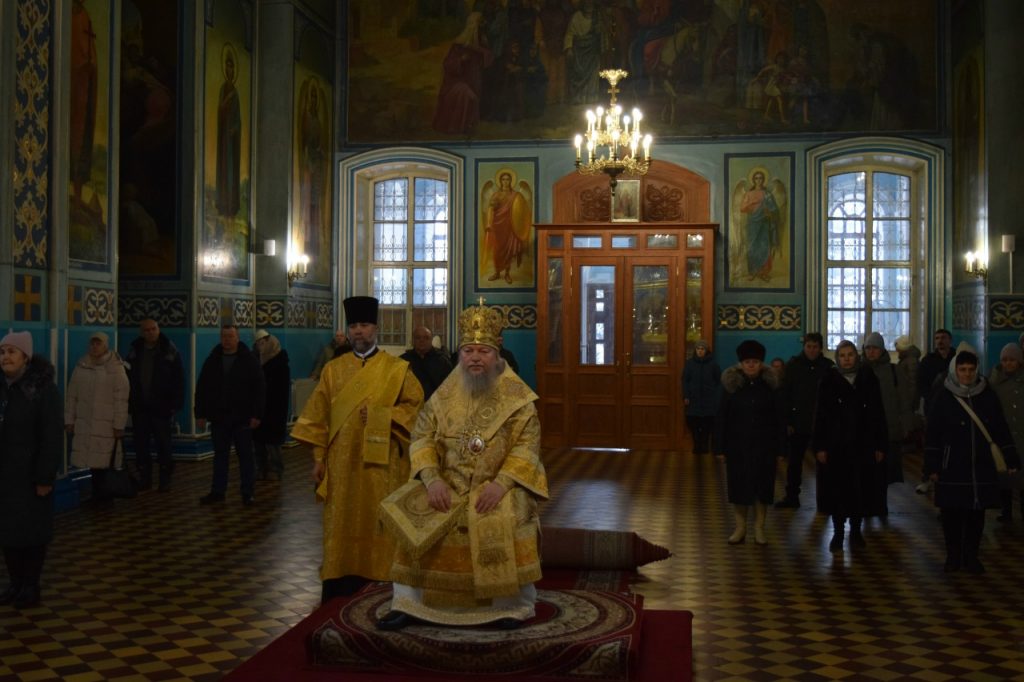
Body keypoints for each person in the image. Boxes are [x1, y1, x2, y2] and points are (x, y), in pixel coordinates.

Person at [377, 302, 548, 630]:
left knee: (506, 516)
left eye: (483, 351)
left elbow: (527, 447)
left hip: (497, 486)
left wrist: (501, 484)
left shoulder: (518, 398)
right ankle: (409, 602)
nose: (475, 358)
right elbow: (422, 436)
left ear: (496, 354)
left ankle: (508, 605)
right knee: (409, 511)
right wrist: (431, 479)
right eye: (468, 351)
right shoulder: (444, 394)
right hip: (447, 483)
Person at [292, 296, 423, 603]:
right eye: (353, 326)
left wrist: (384, 415)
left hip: (383, 468)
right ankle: (339, 588)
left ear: (375, 328)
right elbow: (317, 418)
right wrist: (318, 459)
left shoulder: (397, 369)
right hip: (342, 466)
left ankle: (383, 589)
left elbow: (417, 409)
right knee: (341, 522)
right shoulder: (333, 370)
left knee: (381, 523)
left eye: (364, 325)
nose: (358, 331)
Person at [924, 349, 1019, 573]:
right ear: (955, 371)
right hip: (952, 465)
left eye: (971, 370)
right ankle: (953, 555)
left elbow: (1000, 428)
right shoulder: (944, 396)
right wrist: (932, 465)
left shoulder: (987, 395)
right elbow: (933, 433)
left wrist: (1010, 457)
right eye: (962, 370)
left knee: (976, 514)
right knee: (951, 514)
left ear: (976, 371)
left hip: (980, 465)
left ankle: (971, 555)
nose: (967, 374)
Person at [0, 332, 62, 608]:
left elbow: (51, 436)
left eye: (12, 352)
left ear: (25, 357)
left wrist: (45, 476)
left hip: (30, 474)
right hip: (4, 475)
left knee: (31, 533)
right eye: (2, 352)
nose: (5, 357)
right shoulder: (3, 388)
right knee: (8, 532)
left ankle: (30, 585)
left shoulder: (42, 390)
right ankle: (15, 583)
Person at [812, 340, 888, 553]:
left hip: (863, 444)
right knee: (837, 490)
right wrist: (820, 446)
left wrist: (880, 444)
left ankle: (856, 530)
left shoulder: (867, 378)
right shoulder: (828, 380)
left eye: (850, 354)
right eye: (842, 355)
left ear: (857, 356)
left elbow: (878, 413)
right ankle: (838, 532)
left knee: (860, 489)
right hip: (836, 445)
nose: (846, 359)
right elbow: (820, 415)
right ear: (837, 358)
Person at [714, 340, 786, 545]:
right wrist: (719, 447)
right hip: (738, 446)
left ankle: (759, 528)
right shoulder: (732, 386)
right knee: (739, 487)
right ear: (741, 364)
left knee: (762, 488)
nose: (751, 365)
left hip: (765, 446)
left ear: (761, 363)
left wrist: (781, 448)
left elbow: (780, 418)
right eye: (747, 362)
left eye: (755, 361)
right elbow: (721, 417)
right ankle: (740, 528)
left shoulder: (771, 386)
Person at [194, 324, 265, 506]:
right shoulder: (213, 360)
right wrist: (200, 413)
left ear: (237, 338)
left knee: (245, 456)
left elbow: (258, 389)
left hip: (242, 416)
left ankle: (247, 492)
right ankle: (218, 491)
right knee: (220, 456)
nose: (227, 340)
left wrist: (256, 414)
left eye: (230, 336)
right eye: (224, 336)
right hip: (219, 417)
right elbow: (202, 388)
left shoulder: (249, 360)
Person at [65, 332, 130, 504]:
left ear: (106, 346)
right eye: (92, 343)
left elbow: (121, 399)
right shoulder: (82, 366)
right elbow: (72, 396)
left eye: (98, 344)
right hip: (85, 422)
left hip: (106, 424)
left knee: (105, 460)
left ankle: (105, 495)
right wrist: (69, 419)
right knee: (93, 460)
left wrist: (119, 424)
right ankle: (98, 494)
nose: (94, 347)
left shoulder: (116, 368)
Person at [124, 318, 184, 491]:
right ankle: (145, 478)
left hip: (162, 406)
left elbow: (178, 378)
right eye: (147, 330)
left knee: (163, 444)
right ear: (141, 332)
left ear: (158, 329)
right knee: (141, 444)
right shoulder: (135, 350)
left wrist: (175, 403)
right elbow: (128, 376)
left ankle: (165, 479)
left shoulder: (169, 349)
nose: (151, 332)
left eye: (153, 329)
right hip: (140, 407)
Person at [777, 333, 834, 508]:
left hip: (821, 423)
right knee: (794, 463)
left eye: (815, 347)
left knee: (824, 462)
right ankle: (792, 496)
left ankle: (825, 499)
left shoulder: (828, 367)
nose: (812, 350)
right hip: (798, 422)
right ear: (804, 347)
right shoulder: (793, 366)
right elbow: (785, 394)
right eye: (809, 346)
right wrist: (788, 421)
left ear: (820, 348)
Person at [861, 332, 911, 495]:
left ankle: (880, 503)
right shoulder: (859, 371)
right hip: (864, 429)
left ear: (882, 350)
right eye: (868, 348)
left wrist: (905, 424)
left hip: (889, 428)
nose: (871, 352)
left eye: (875, 348)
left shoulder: (894, 371)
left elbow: (904, 399)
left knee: (885, 472)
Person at [915, 329, 955, 494]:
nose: (940, 341)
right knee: (932, 444)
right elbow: (921, 383)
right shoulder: (928, 360)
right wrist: (932, 398)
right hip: (933, 407)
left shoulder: (956, 358)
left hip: (954, 407)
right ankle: (927, 477)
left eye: (943, 338)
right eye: (937, 338)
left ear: (950, 340)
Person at [990, 343, 1024, 522]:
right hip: (1004, 434)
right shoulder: (996, 382)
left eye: (1012, 360)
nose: (1008, 364)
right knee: (1004, 476)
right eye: (1004, 360)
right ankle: (1006, 511)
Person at [252, 330, 290, 481]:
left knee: (272, 443)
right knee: (259, 441)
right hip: (259, 407)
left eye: (262, 343)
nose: (260, 347)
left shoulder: (280, 363)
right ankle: (261, 468)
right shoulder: (255, 360)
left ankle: (275, 469)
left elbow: (281, 390)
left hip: (274, 407)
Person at [483, 171, 531, 284]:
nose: (505, 182)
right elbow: (491, 209)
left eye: (507, 179)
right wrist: (489, 223)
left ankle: (507, 274)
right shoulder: (496, 195)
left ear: (511, 181)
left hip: (510, 226)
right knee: (497, 251)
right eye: (503, 179)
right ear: (500, 181)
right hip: (497, 227)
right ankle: (497, 272)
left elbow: (523, 211)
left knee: (508, 252)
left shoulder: (516, 195)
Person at [739, 169, 781, 282]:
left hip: (764, 224)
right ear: (753, 180)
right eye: (756, 178)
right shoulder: (749, 194)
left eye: (760, 178)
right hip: (752, 223)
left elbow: (775, 210)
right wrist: (752, 204)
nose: (758, 180)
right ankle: (752, 272)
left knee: (764, 247)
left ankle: (763, 272)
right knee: (752, 247)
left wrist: (769, 212)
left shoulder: (768, 194)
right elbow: (742, 208)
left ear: (763, 180)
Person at [682, 340, 721, 455]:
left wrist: (713, 393)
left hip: (709, 399)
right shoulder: (690, 364)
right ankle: (696, 445)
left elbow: (718, 380)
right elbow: (685, 381)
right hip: (693, 399)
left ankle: (704, 446)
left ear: (706, 351)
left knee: (707, 424)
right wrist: (686, 395)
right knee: (693, 422)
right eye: (698, 349)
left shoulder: (713, 364)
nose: (700, 351)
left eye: (702, 349)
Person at [400, 326, 452, 401]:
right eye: (418, 337)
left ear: (431, 340)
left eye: (426, 338)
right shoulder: (403, 361)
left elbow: (450, 387)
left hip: (437, 404)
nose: (422, 340)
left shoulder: (442, 361)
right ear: (413, 340)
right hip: (409, 404)